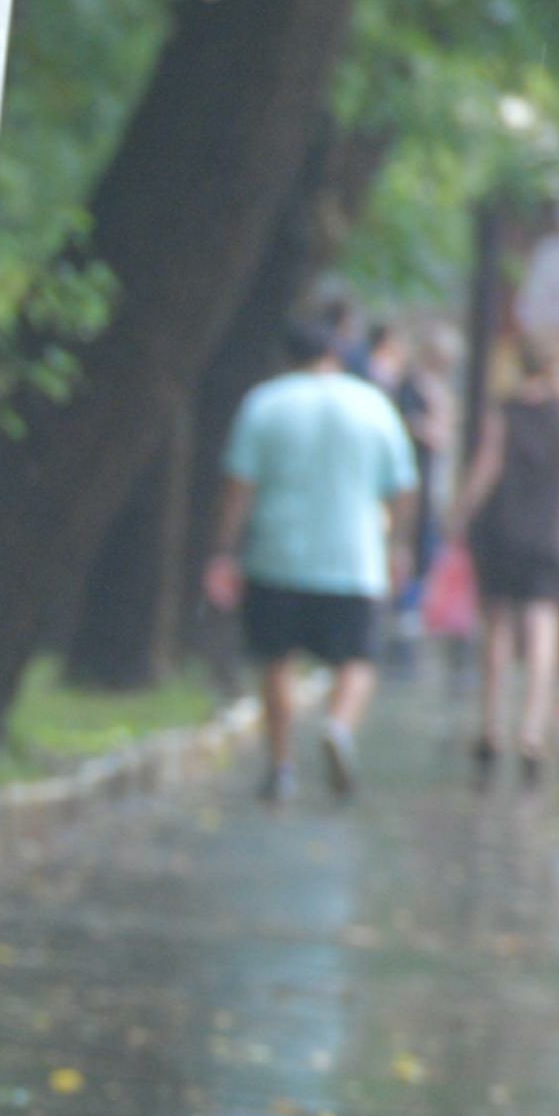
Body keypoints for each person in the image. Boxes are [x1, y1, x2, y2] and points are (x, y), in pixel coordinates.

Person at [201, 313, 422, 799]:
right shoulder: (372, 405)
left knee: (278, 659)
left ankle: (281, 766)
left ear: (287, 358)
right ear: (335, 355)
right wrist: (398, 544)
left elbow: (239, 486)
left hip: (277, 555)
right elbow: (404, 487)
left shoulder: (264, 404)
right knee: (359, 659)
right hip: (355, 558)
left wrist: (224, 549)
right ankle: (339, 726)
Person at [460, 338, 559, 784]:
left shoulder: (504, 411)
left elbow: (487, 466)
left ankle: (491, 725)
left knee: (496, 627)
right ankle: (532, 733)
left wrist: (461, 513)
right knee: (542, 631)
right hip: (548, 533)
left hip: (502, 529)